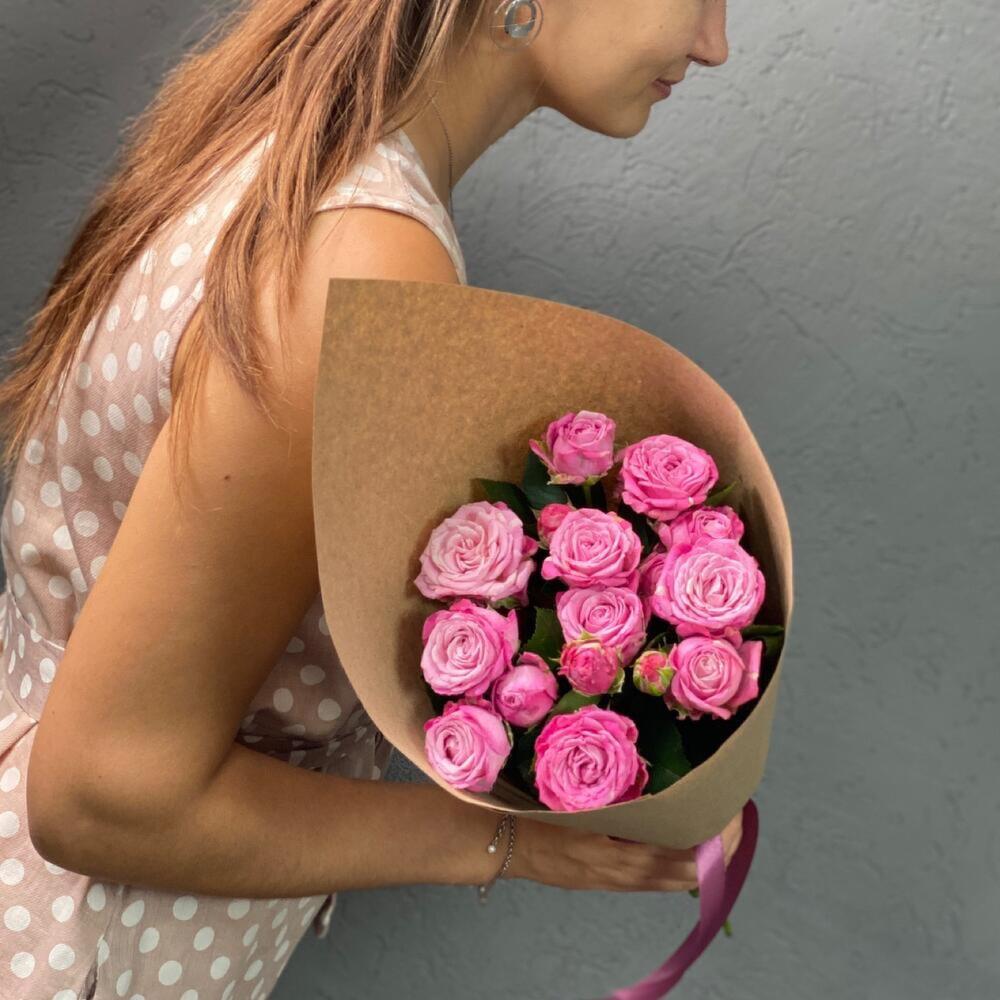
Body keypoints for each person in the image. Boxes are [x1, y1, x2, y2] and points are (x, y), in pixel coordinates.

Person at [0, 0, 736, 996]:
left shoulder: (285, 153)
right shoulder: (359, 262)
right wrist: (511, 841)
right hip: (76, 950)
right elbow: (106, 797)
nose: (714, 45)